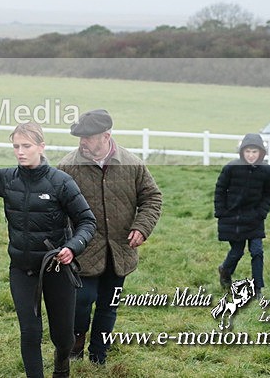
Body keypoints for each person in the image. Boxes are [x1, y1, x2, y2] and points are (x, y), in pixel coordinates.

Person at [0, 122, 96, 378]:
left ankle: (61, 367)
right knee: (30, 333)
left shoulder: (61, 182)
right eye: (16, 146)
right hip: (23, 271)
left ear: (41, 147)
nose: (20, 151)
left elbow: (87, 222)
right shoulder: (7, 179)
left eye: (26, 146)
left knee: (63, 335)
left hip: (58, 268)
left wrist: (72, 247)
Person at [56, 109, 162, 365]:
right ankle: (75, 347)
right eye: (80, 136)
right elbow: (56, 210)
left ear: (106, 136)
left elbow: (152, 198)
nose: (82, 142)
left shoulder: (132, 164)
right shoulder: (67, 167)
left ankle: (98, 356)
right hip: (82, 252)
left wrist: (142, 227)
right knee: (82, 302)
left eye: (88, 137)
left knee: (108, 305)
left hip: (120, 251)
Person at [214, 133, 270, 298]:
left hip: (255, 218)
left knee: (257, 251)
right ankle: (225, 271)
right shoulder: (231, 168)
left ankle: (257, 289)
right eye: (248, 151)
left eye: (255, 152)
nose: (251, 155)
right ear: (242, 152)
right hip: (233, 218)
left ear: (261, 153)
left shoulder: (267, 171)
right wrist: (221, 212)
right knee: (237, 251)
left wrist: (261, 212)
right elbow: (220, 189)